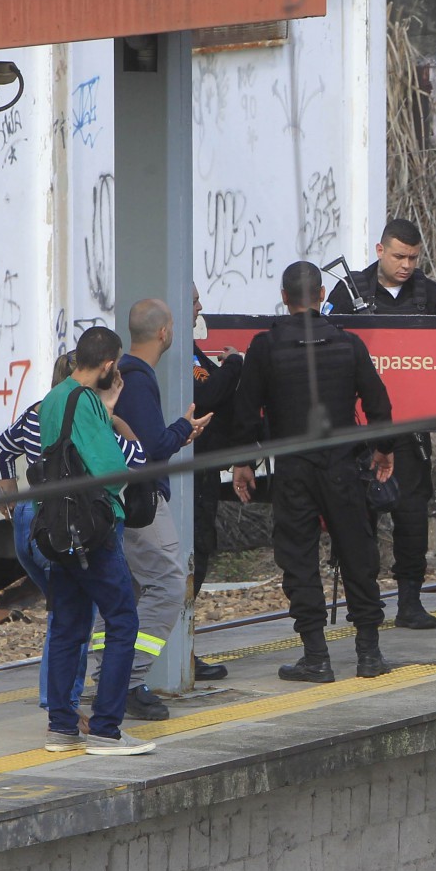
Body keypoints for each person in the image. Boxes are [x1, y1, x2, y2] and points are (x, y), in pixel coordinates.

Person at [233, 261, 397, 681]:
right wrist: (384, 450)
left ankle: (316, 656)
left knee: (298, 557)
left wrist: (244, 463)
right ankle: (369, 653)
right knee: (358, 553)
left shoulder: (265, 347)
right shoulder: (348, 343)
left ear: (284, 298)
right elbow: (379, 405)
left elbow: (247, 412)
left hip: (293, 468)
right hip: (343, 465)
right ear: (322, 295)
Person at [0, 353, 145, 722]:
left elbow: (0, 452)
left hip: (34, 517)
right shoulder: (88, 415)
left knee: (64, 616)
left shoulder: (36, 412)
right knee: (88, 616)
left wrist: (10, 497)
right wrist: (112, 415)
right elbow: (134, 460)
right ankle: (72, 709)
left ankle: (59, 713)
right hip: (78, 520)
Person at [35, 327, 155, 756]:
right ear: (107, 365)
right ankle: (106, 730)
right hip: (92, 531)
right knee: (123, 621)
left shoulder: (53, 398)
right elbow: (112, 465)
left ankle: (62, 728)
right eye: (116, 365)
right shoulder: (86, 402)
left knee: (68, 627)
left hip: (57, 529)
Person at [326, 218, 436, 631]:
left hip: (410, 428)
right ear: (380, 251)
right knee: (358, 518)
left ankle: (410, 599)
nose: (407, 265)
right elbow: (327, 344)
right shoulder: (349, 291)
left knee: (412, 515)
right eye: (399, 256)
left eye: (414, 257)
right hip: (360, 427)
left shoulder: (430, 294)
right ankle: (366, 601)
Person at [115, 298, 213, 720]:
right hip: (142, 502)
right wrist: (182, 429)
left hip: (124, 499)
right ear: (164, 333)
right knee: (170, 585)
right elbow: (150, 445)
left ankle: (110, 677)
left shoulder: (125, 375)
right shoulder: (137, 379)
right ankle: (129, 679)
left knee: (129, 592)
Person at [189, 287, 242, 686]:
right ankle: (178, 655)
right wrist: (235, 366)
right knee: (191, 558)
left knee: (201, 555)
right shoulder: (176, 357)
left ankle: (183, 650)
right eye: (193, 300)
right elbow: (207, 394)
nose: (200, 307)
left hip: (205, 471)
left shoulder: (191, 351)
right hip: (189, 475)